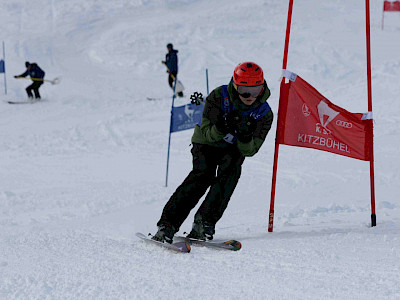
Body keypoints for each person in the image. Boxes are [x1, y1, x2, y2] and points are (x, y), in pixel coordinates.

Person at [152, 62, 274, 243]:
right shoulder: (219, 96)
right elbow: (207, 133)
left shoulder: (264, 113)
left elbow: (251, 151)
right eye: (244, 91)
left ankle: (204, 224)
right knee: (203, 175)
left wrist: (245, 136)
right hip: (206, 143)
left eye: (255, 91)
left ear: (262, 87)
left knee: (229, 175)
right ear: (235, 86)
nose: (249, 97)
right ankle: (167, 225)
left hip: (234, 149)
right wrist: (221, 127)